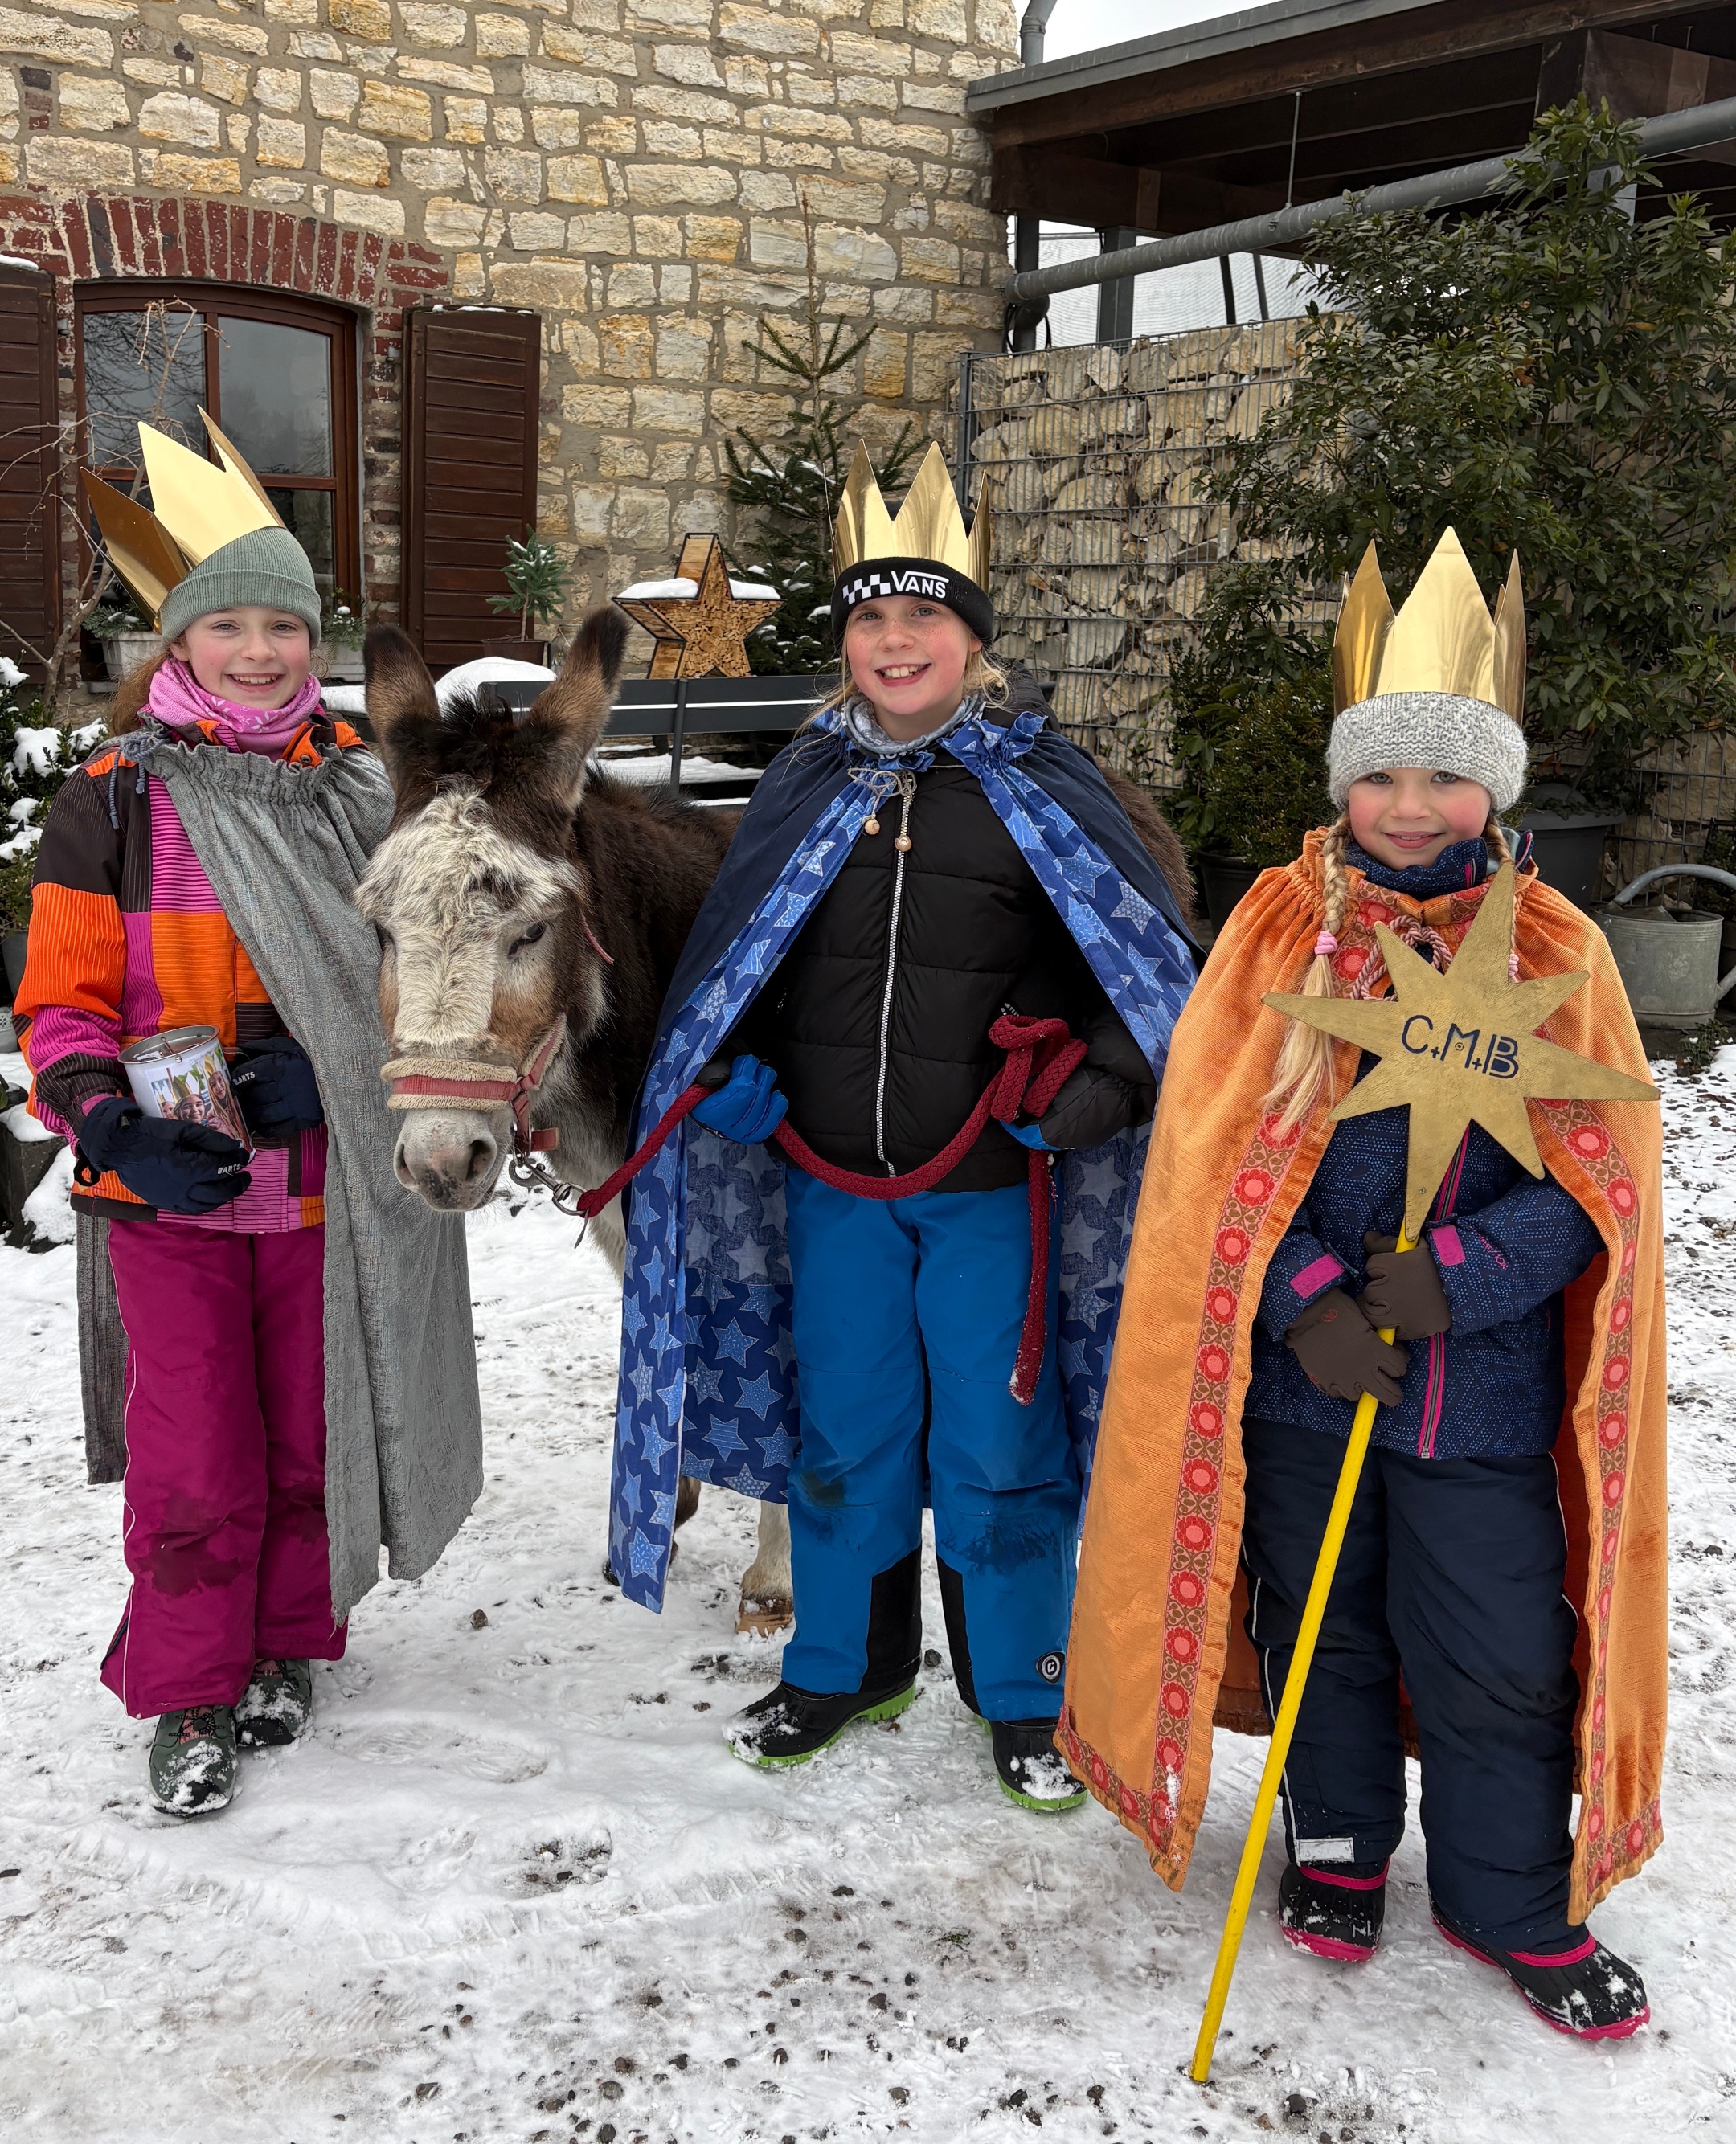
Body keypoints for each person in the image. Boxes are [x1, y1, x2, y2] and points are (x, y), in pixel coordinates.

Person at [1062, 531, 1665, 2040]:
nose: (1408, 806)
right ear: (1343, 783)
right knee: (1323, 1630)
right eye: (1381, 775)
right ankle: (1335, 1850)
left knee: (1495, 1649)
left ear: (1495, 789)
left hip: (1482, 1395)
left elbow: (1604, 1186)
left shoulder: (1558, 950)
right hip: (1309, 1386)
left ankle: (1508, 1896)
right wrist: (1309, 1300)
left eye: (1445, 776)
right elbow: (1211, 1162)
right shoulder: (1279, 934)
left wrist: (1463, 1274)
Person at [603, 443, 1199, 1808]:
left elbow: (1148, 964)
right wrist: (730, 1069)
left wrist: (1106, 1083)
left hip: (993, 1186)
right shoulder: (804, 782)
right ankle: (842, 1667)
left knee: (1000, 1446)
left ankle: (1025, 1695)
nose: (895, 640)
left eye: (924, 613)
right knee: (845, 1431)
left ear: (971, 637)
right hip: (829, 1186)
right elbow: (741, 958)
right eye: (871, 617)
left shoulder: (1042, 783)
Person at [14, 415, 482, 1817]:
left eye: (285, 625)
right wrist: (110, 1128)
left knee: (310, 1436)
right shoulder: (112, 801)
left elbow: (420, 976)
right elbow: (61, 1005)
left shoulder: (358, 790)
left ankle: (285, 1644)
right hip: (170, 1196)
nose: (263, 651)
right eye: (231, 626)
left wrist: (337, 1070)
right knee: (195, 1454)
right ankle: (188, 1689)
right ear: (179, 640)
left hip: (326, 1181)